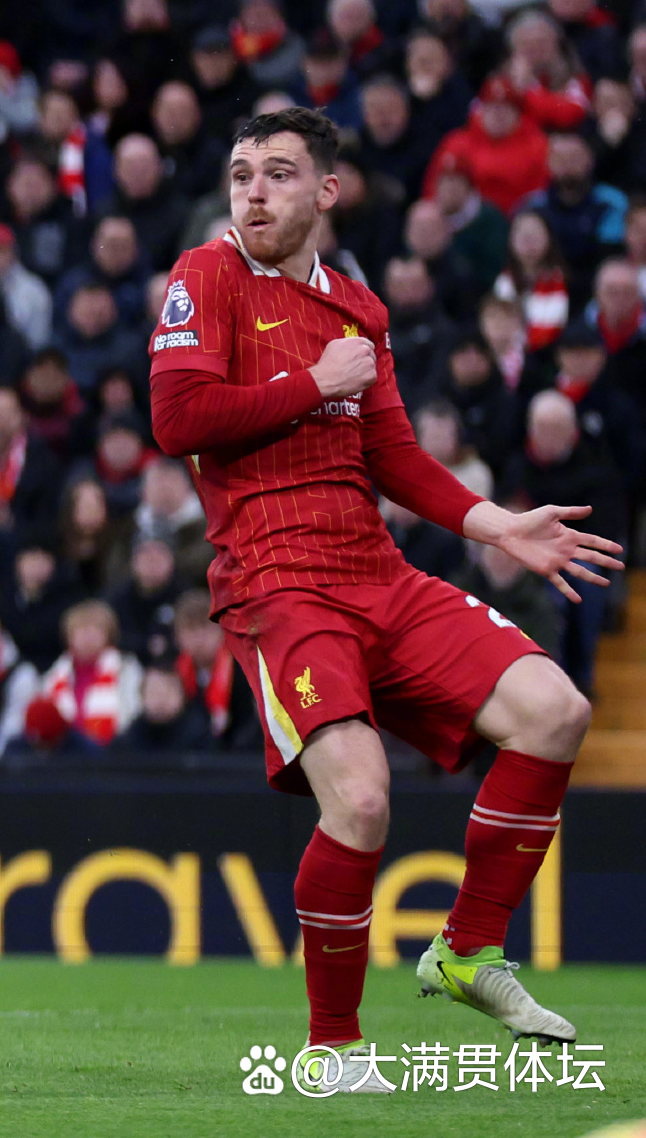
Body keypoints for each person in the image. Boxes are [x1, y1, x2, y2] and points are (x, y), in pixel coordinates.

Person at [147, 108, 617, 1085]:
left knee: (553, 711)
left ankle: (464, 952)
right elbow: (174, 416)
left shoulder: (358, 309)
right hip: (275, 584)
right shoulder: (205, 276)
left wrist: (495, 526)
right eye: (240, 175)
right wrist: (310, 381)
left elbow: (390, 453)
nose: (252, 194)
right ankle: (331, 1050)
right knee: (360, 801)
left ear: (326, 191)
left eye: (276, 175)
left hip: (376, 574)